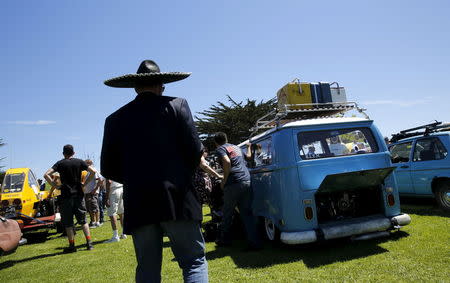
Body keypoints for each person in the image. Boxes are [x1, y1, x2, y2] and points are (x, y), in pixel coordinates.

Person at [100, 60, 208, 283]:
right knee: (193, 262)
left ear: (135, 87)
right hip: (178, 198)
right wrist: (178, 174)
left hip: (139, 202)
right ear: (161, 85)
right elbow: (195, 152)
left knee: (147, 270)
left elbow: (108, 168)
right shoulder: (178, 105)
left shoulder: (114, 119)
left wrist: (137, 179)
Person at [213, 132, 261, 251]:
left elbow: (227, 162)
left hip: (233, 182)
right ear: (226, 138)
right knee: (247, 213)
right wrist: (249, 147)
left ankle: (224, 240)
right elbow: (249, 158)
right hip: (246, 180)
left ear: (216, 143)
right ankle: (254, 243)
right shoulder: (236, 147)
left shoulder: (220, 149)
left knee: (227, 212)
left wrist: (224, 180)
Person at [43, 144, 95, 253]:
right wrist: (84, 183)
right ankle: (89, 243)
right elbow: (93, 172)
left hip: (66, 196)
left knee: (68, 222)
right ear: (74, 153)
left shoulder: (60, 163)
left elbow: (46, 174)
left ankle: (72, 246)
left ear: (63, 153)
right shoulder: (80, 161)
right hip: (79, 195)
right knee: (83, 220)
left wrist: (55, 185)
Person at [82, 159, 102, 228]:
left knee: (95, 207)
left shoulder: (94, 170)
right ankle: (93, 222)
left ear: (88, 164)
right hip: (87, 192)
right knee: (90, 208)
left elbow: (100, 180)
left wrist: (95, 189)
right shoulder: (87, 172)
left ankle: (97, 222)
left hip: (92, 192)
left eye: (85, 164)